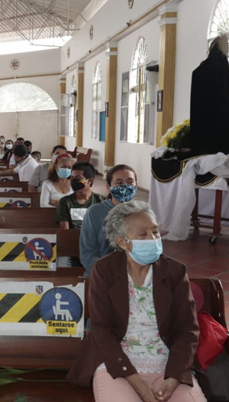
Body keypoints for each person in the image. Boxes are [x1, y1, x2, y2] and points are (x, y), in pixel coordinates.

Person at [68, 201, 205, 402]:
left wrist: (175, 377)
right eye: (143, 234)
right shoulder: (104, 270)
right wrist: (134, 379)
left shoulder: (174, 272)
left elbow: (187, 330)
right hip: (116, 364)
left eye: (155, 232)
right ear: (122, 242)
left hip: (168, 363)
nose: (153, 239)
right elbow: (101, 329)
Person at [80, 164, 138, 277]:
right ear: (108, 187)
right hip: (102, 273)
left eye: (130, 182)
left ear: (136, 185)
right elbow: (87, 253)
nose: (125, 186)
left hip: (135, 274)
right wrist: (107, 273)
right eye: (119, 183)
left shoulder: (143, 213)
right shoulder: (95, 212)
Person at [57, 162, 105, 229]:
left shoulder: (101, 201)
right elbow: (65, 231)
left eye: (78, 178)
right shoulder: (65, 202)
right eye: (72, 177)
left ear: (89, 180)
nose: (74, 181)